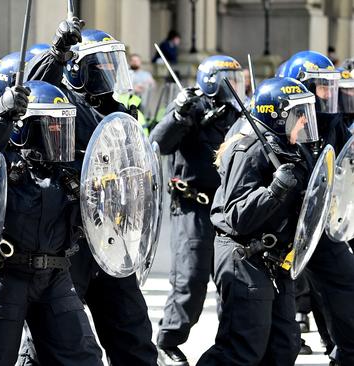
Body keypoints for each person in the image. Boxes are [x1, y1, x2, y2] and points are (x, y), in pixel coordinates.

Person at [24, 22, 158, 365]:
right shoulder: (62, 101)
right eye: (103, 65)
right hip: (72, 242)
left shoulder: (119, 112)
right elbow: (33, 86)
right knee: (59, 339)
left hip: (113, 239)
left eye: (115, 64)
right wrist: (57, 52)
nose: (111, 72)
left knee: (134, 333)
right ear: (80, 68)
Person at [0, 78, 104, 366]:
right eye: (52, 127)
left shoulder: (69, 171)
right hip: (5, 277)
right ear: (27, 129)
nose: (60, 135)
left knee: (84, 358)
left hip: (55, 278)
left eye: (63, 127)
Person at [197, 76, 316, 365]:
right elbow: (237, 215)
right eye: (299, 115)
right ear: (279, 115)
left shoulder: (293, 148)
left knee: (283, 345)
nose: (304, 123)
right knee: (241, 349)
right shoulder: (249, 149)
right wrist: (274, 191)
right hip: (245, 255)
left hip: (276, 261)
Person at [150, 55, 245, 366]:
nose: (236, 85)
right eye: (229, 79)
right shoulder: (191, 107)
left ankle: (230, 344)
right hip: (192, 206)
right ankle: (168, 341)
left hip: (228, 209)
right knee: (190, 277)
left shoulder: (238, 114)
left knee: (230, 278)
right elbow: (158, 143)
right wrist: (179, 114)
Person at [280, 50, 354, 366]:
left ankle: (346, 352)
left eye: (329, 87)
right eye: (321, 87)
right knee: (283, 299)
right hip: (280, 225)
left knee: (344, 283)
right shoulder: (277, 119)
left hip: (320, 220)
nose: (327, 94)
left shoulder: (331, 120)